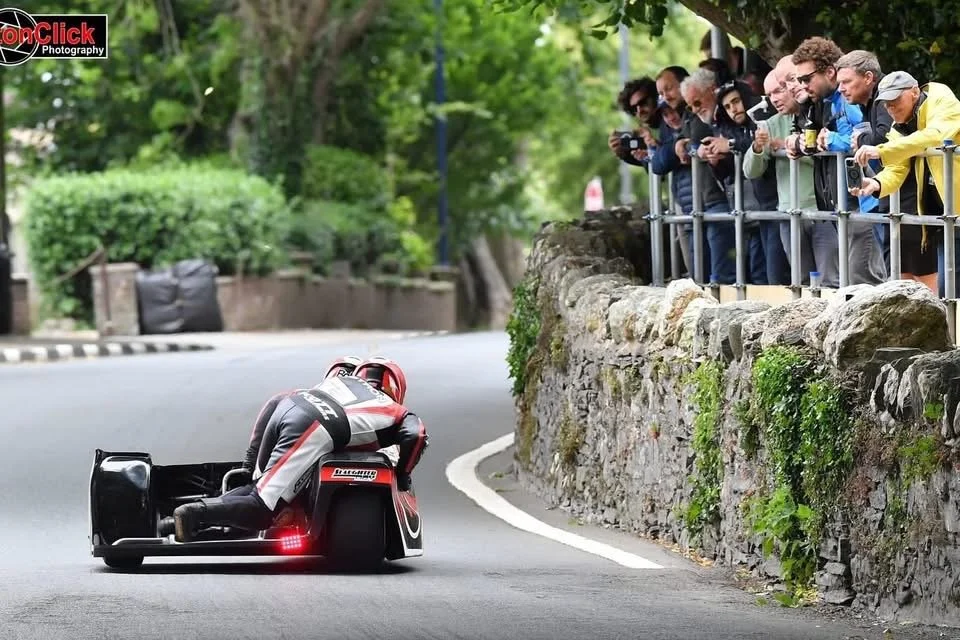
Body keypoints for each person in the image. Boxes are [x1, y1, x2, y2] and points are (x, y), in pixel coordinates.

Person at [168, 355, 429, 542]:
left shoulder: (340, 385)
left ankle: (183, 521)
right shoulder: (396, 410)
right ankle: (193, 514)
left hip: (289, 406)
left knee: (257, 488)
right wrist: (403, 475)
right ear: (397, 388)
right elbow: (416, 435)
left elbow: (276, 400)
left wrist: (250, 462)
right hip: (316, 427)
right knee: (263, 509)